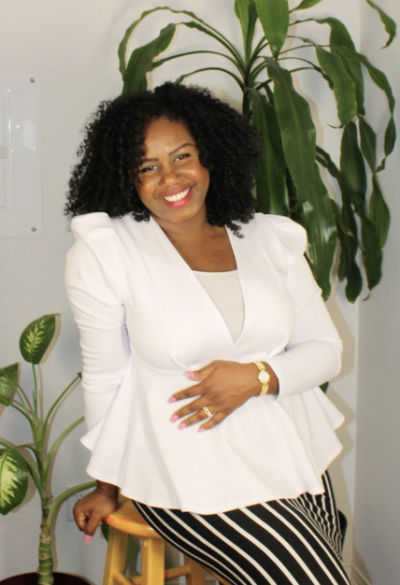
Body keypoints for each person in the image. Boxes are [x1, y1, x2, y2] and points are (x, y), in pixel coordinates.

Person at [65, 82, 350, 585]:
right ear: (127, 178)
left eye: (182, 157)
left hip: (292, 454)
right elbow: (105, 377)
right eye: (147, 166)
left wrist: (257, 377)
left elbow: (326, 351)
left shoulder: (267, 237)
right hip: (187, 470)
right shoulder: (108, 251)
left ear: (210, 157)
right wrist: (107, 485)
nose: (169, 178)